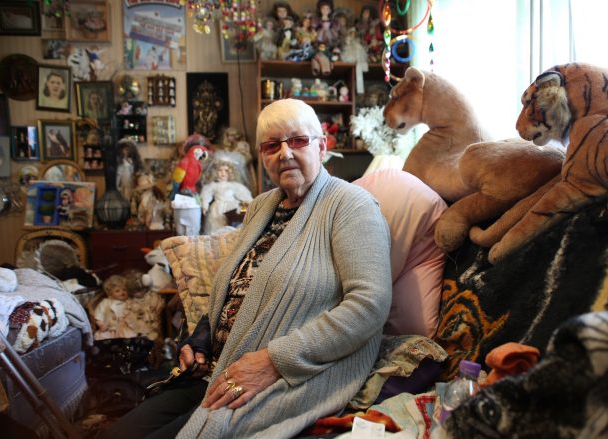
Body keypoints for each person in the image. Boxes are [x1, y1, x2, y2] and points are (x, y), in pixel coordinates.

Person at [101, 98, 392, 438]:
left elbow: (369, 305)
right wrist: (200, 340)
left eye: (297, 140)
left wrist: (273, 361)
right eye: (271, 146)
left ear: (322, 147)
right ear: (262, 157)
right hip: (216, 370)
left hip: (277, 380)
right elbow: (237, 286)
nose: (284, 153)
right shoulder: (261, 207)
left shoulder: (351, 205)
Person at [200, 159, 253, 235]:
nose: (223, 173)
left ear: (230, 172)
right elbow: (206, 194)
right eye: (220, 170)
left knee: (232, 226)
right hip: (217, 208)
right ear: (215, 172)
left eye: (226, 171)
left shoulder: (234, 185)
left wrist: (250, 203)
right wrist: (205, 205)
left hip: (232, 207)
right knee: (217, 226)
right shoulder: (213, 185)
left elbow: (244, 195)